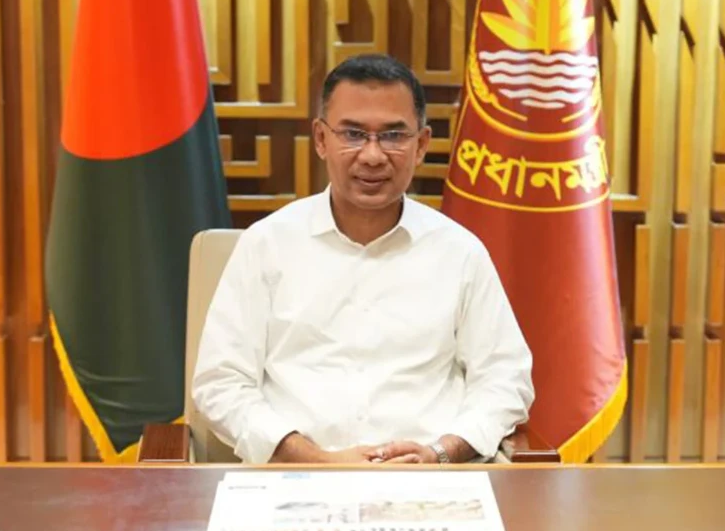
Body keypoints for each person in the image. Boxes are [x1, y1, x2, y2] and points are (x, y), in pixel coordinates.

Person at [192, 53, 534, 464]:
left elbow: (506, 380)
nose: (373, 155)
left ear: (422, 144)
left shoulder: (460, 251)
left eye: (393, 135)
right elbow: (221, 383)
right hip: (297, 481)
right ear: (321, 139)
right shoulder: (267, 245)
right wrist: (318, 460)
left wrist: (440, 453)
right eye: (353, 134)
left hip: (430, 482)